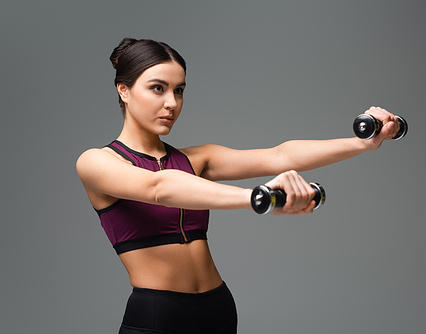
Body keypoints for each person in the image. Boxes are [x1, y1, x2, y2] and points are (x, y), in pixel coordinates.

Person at [76, 38, 400, 334]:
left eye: (179, 90)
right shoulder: (97, 162)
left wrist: (362, 143)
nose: (172, 103)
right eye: (158, 88)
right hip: (159, 315)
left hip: (218, 308)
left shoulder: (196, 159)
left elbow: (279, 155)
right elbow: (159, 187)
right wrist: (258, 198)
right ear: (124, 90)